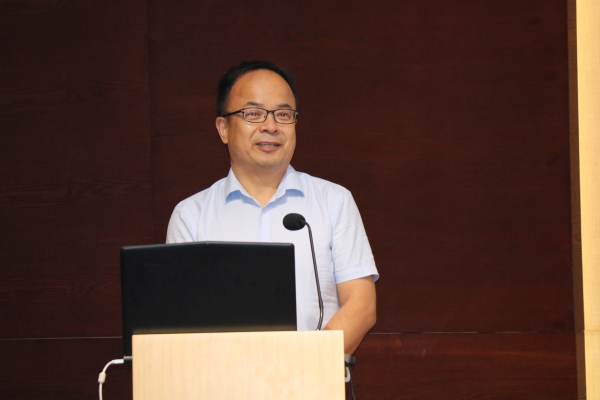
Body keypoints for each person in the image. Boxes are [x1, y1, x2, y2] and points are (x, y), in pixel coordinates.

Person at [166, 61, 378, 355]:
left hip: (312, 378)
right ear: (223, 128)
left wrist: (304, 366)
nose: (270, 126)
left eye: (283, 114)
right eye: (253, 114)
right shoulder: (191, 216)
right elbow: (180, 319)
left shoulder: (334, 201)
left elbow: (361, 306)